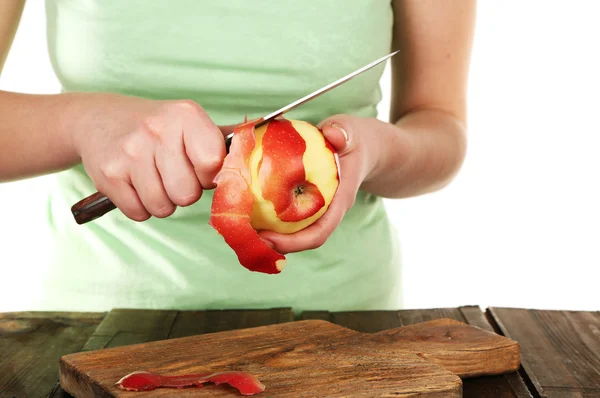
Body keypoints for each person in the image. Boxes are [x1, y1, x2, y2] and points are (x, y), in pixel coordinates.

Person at [0, 1, 476, 313]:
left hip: (341, 328)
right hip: (91, 321)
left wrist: (376, 151)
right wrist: (81, 122)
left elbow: (439, 124)